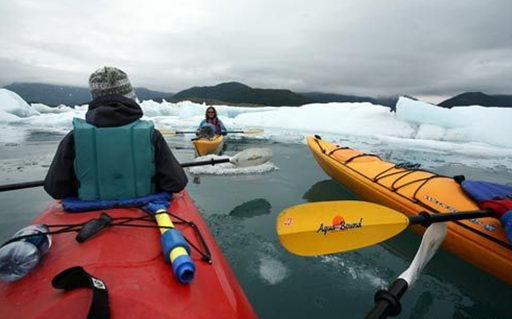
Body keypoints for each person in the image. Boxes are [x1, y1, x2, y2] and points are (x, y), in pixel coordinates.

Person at [44, 66, 187, 200]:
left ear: (95, 97)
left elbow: (55, 189)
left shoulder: (74, 138)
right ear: (129, 95)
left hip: (89, 214)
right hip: (143, 212)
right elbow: (176, 183)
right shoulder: (151, 135)